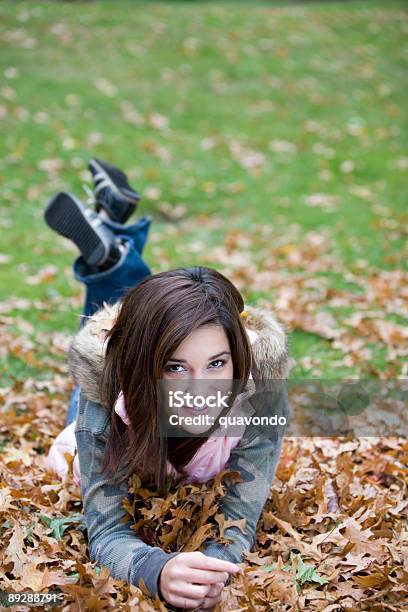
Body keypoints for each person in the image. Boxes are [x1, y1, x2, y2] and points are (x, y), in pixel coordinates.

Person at [45, 159, 291, 610]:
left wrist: (213, 570)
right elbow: (106, 529)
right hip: (124, 393)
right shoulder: (109, 390)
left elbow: (239, 517)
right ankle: (114, 257)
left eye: (217, 363)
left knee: (155, 318)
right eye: (176, 369)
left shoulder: (260, 388)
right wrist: (153, 570)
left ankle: (111, 251)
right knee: (110, 368)